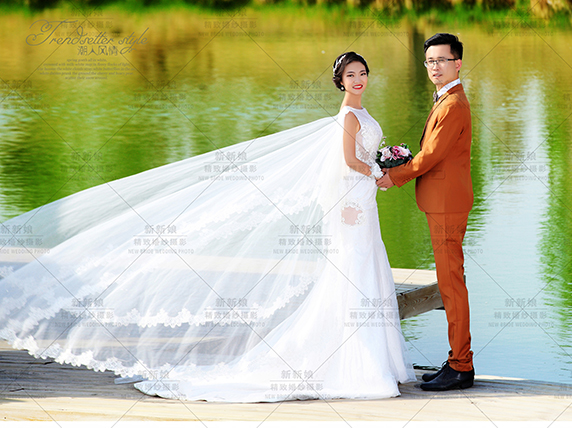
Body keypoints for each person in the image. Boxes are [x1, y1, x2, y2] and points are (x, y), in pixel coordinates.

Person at [0, 52, 416, 402]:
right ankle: (353, 363)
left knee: (366, 266)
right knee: (352, 270)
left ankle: (376, 359)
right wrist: (379, 171)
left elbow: (359, 158)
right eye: (350, 75)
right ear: (339, 81)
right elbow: (348, 161)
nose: (358, 80)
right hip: (353, 202)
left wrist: (381, 166)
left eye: (363, 73)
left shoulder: (363, 112)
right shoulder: (347, 116)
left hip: (362, 198)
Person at [377, 33, 474, 391]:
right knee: (450, 282)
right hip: (444, 202)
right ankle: (457, 360)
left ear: (457, 64)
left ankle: (461, 366)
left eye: (442, 60)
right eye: (430, 61)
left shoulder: (452, 105)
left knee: (451, 284)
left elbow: (430, 156)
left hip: (447, 205)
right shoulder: (447, 98)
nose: (435, 67)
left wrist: (394, 176)